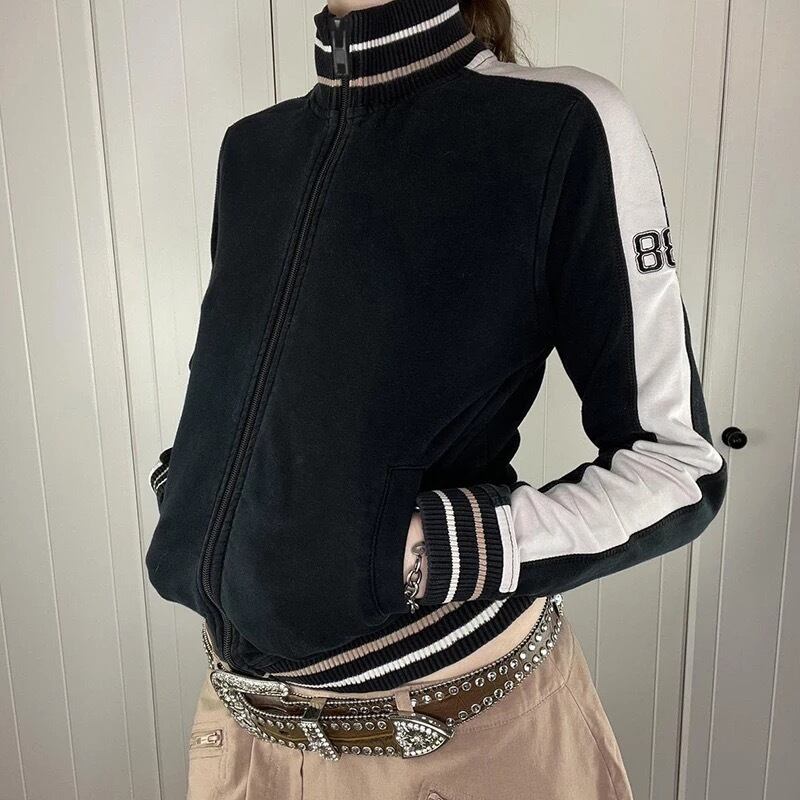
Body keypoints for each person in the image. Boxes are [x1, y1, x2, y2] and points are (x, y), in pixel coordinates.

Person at [145, 0, 729, 797]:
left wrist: (428, 550)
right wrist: (191, 490)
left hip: (455, 745)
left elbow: (676, 468)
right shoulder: (253, 149)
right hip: (243, 741)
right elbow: (253, 390)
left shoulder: (557, 124)